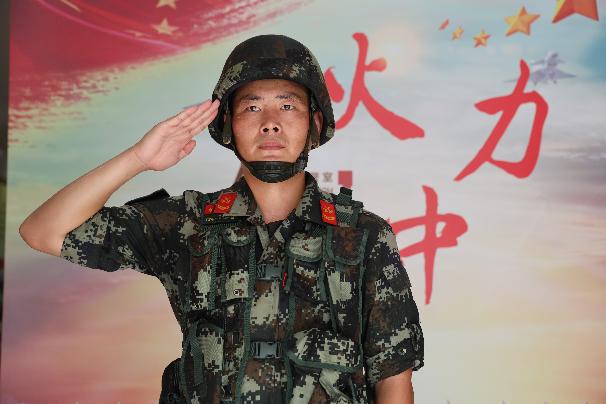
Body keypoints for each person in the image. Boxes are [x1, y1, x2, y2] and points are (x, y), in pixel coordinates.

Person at [19, 34, 424, 403]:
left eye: (288, 105)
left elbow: (393, 377)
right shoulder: (188, 223)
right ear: (229, 123)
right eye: (252, 106)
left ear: (314, 123)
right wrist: (139, 159)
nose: (270, 122)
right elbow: (44, 231)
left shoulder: (363, 235)